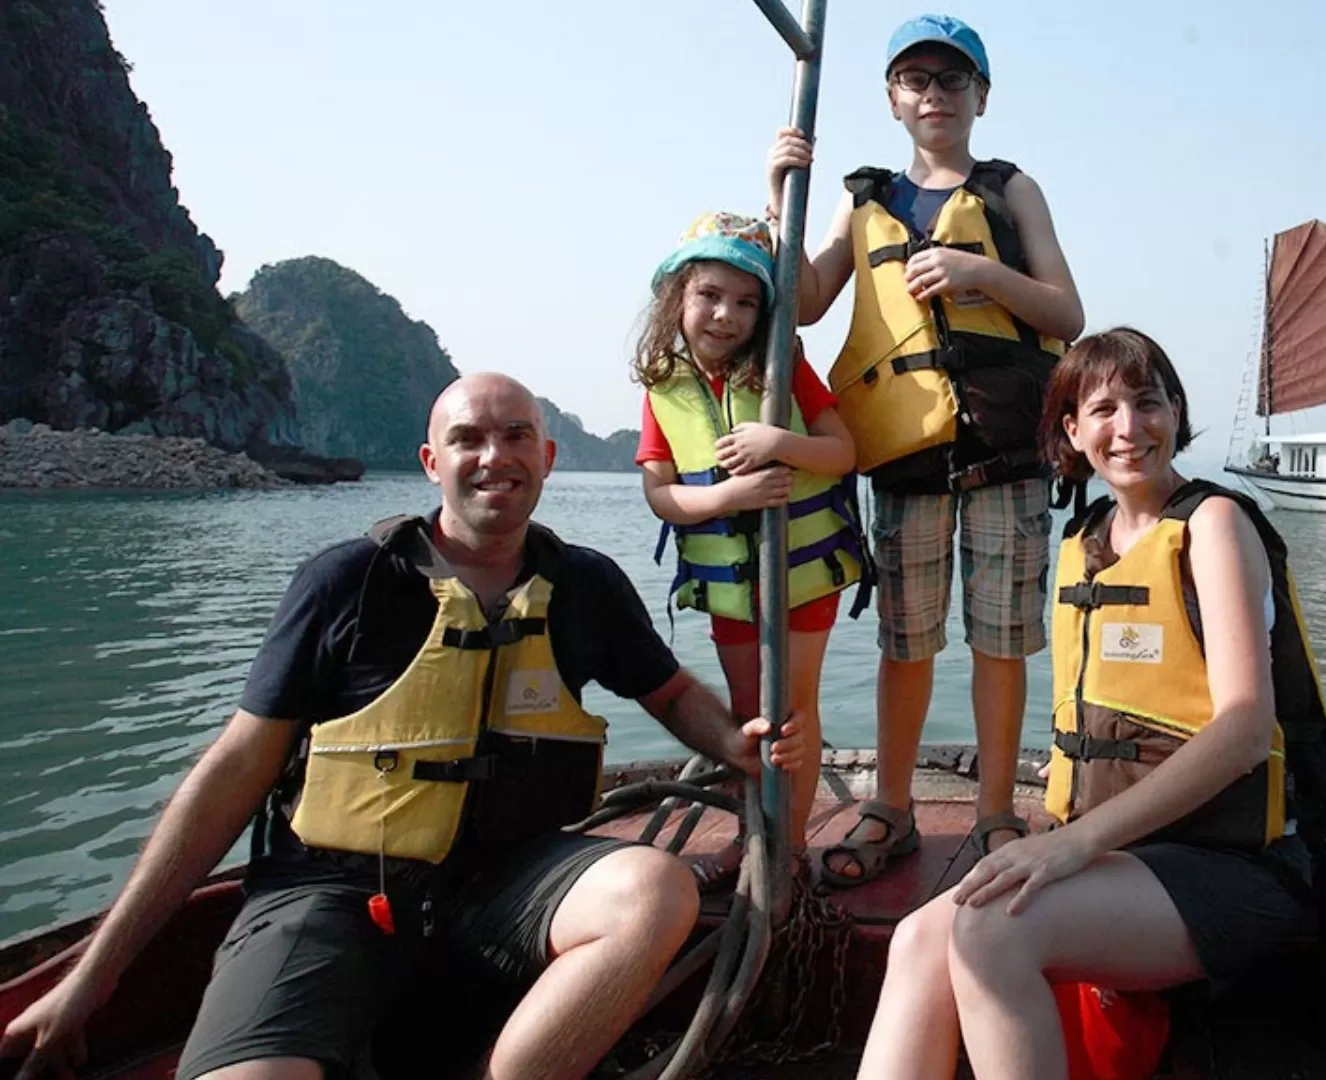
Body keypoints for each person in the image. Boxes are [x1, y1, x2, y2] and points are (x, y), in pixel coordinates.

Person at [0, 374, 809, 1080]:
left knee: (652, 889)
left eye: (516, 436)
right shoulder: (350, 582)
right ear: (431, 462)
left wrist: (732, 742)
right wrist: (92, 979)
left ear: (547, 457)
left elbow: (670, 692)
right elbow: (233, 771)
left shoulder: (584, 584)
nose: (495, 456)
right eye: (468, 439)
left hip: (507, 886)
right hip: (331, 893)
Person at [853, 328, 1326, 1080]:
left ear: (1176, 412)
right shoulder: (1087, 540)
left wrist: (1072, 845)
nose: (1129, 428)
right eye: (1103, 410)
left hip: (1234, 866)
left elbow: (1245, 730)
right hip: (1124, 856)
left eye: (1148, 403)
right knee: (919, 939)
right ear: (1072, 431)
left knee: (990, 934)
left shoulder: (1213, 526)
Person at [765, 13, 1086, 886]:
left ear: (981, 96)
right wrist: (780, 197)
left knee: (1001, 642)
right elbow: (804, 300)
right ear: (892, 99)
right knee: (904, 643)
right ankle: (893, 806)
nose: (934, 94)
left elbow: (1067, 314)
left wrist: (983, 274)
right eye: (916, 80)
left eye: (952, 80)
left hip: (1005, 455)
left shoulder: (1012, 190)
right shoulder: (864, 197)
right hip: (907, 462)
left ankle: (995, 813)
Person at [634, 211, 865, 860]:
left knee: (793, 713)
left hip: (804, 577)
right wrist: (728, 497)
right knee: (747, 714)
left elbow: (842, 452)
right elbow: (660, 493)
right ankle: (752, 836)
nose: (725, 315)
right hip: (731, 586)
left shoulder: (783, 367)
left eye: (745, 302)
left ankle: (786, 850)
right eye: (709, 295)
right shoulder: (663, 387)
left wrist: (778, 442)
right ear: (677, 297)